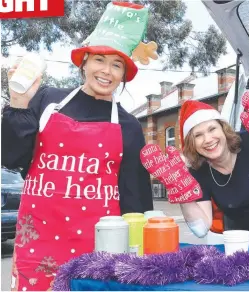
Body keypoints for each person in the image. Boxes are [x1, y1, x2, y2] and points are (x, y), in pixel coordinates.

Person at [1, 3, 155, 290]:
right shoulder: (46, 99)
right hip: (37, 241)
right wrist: (19, 104)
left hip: (98, 247)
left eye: (117, 64)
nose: (106, 71)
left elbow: (136, 200)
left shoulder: (129, 126)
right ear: (84, 61)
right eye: (99, 60)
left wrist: (139, 258)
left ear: (124, 74)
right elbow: (13, 156)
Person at [141, 92, 249, 246]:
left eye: (212, 129)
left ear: (224, 129)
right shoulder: (198, 171)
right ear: (191, 144)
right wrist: (180, 191)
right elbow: (201, 229)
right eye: (198, 135)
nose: (208, 139)